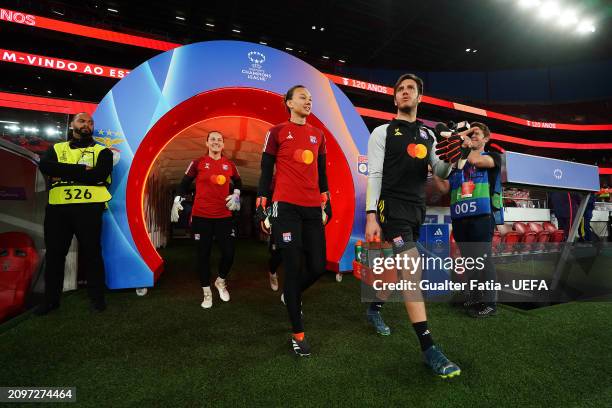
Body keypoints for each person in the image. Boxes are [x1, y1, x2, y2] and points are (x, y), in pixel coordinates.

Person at [365, 73, 461, 378]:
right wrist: (370, 214)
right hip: (390, 208)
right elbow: (375, 176)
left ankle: (374, 308)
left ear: (419, 97)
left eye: (411, 89)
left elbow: (441, 171)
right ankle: (429, 348)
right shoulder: (382, 132)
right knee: (412, 269)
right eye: (401, 89)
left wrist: (455, 153)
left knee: (399, 274)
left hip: (416, 209)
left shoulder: (429, 136)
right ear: (395, 98)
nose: (406, 92)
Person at [255, 85, 332, 357]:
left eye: (311, 99)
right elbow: (265, 172)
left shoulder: (318, 135)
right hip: (285, 207)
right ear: (288, 102)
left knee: (318, 265)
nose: (308, 101)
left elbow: (322, 174)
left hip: (312, 208)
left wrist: (327, 201)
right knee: (293, 263)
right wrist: (262, 205)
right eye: (302, 97)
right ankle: (298, 335)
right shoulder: (275, 132)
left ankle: (292, 294)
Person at [36, 112, 112, 314]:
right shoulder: (57, 148)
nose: (87, 124)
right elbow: (45, 165)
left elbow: (100, 174)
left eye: (90, 122)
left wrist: (61, 171)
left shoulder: (103, 151)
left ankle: (97, 299)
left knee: (92, 253)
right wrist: (81, 170)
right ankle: (51, 301)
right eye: (82, 121)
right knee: (54, 255)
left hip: (89, 208)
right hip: (58, 210)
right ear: (72, 125)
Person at [171, 131, 242, 309]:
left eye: (219, 140)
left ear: (223, 145)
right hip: (201, 217)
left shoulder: (229, 165)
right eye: (213, 139)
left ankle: (220, 281)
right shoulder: (198, 163)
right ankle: (207, 292)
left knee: (229, 253)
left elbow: (239, 182)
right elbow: (184, 184)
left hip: (224, 216)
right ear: (207, 143)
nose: (216, 142)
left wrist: (236, 194)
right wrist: (177, 199)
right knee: (203, 256)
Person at [439, 122, 503, 318]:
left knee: (483, 260)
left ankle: (490, 303)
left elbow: (476, 161)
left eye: (477, 134)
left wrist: (463, 143)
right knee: (469, 261)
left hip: (481, 216)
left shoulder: (493, 157)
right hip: (460, 217)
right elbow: (444, 188)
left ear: (486, 139)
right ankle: (475, 297)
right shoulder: (459, 163)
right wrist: (434, 169)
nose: (472, 136)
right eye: (470, 133)